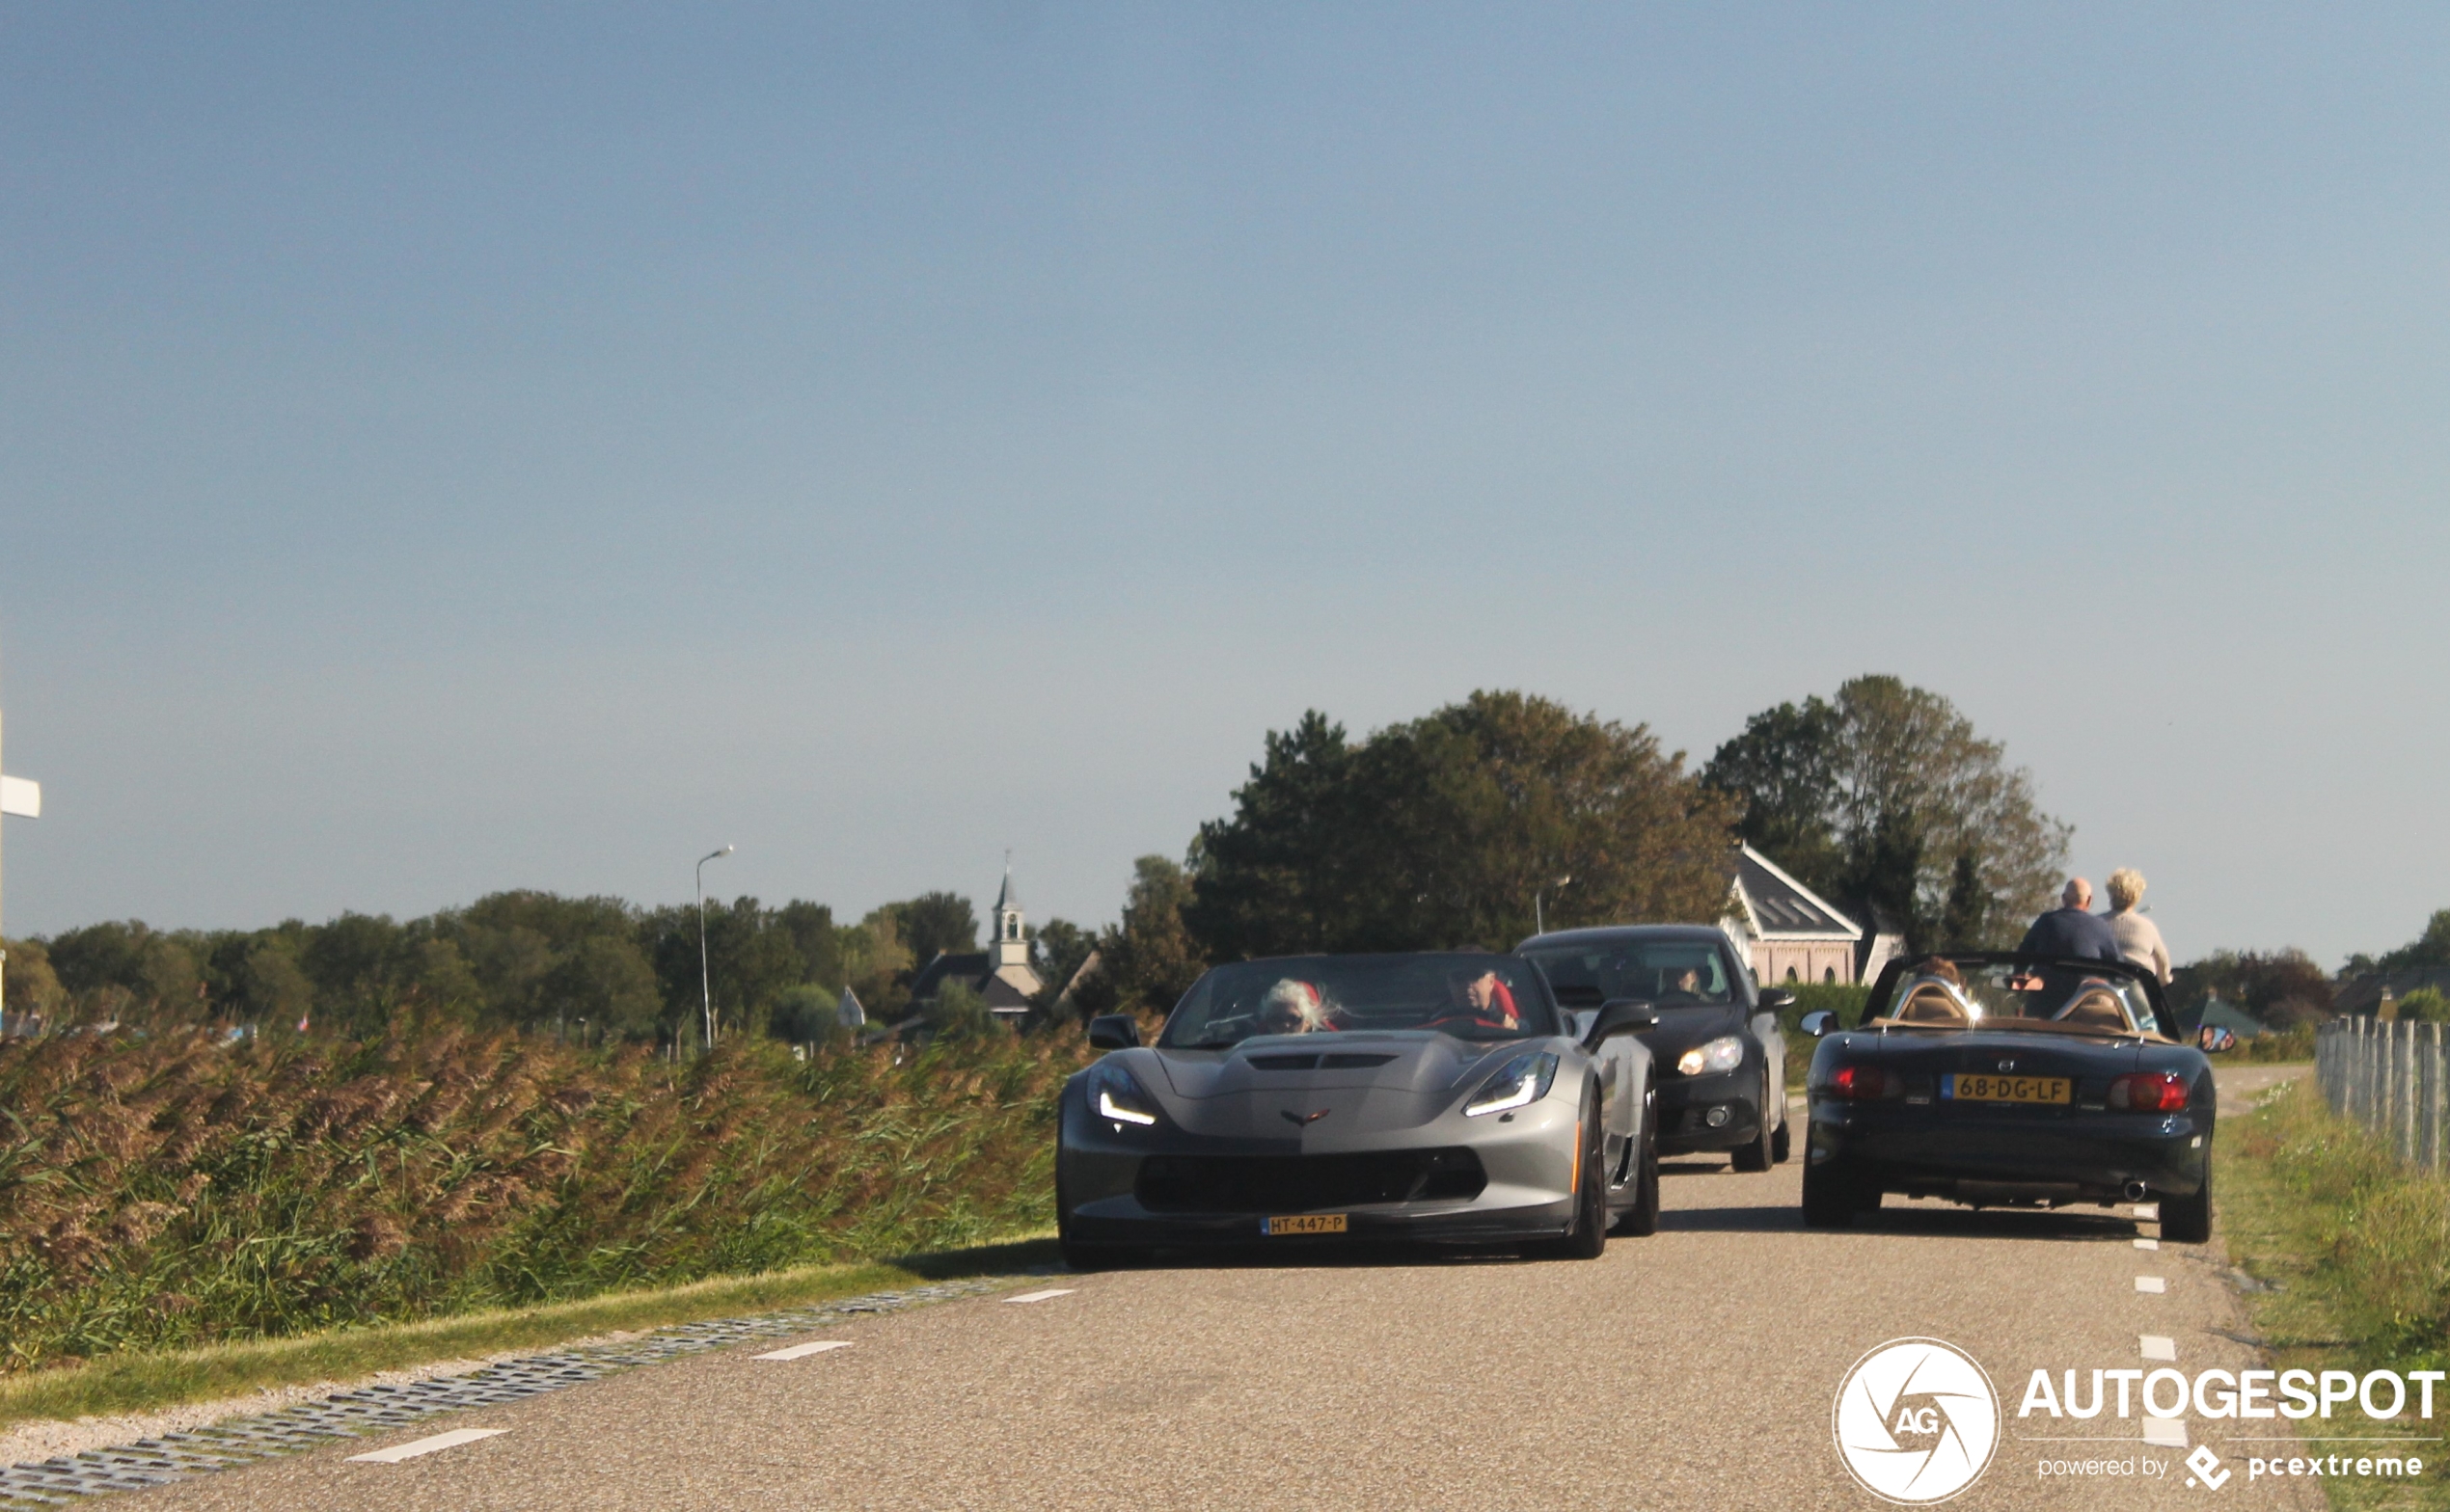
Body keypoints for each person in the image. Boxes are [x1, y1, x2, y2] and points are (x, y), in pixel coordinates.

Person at [2018, 878, 2121, 962]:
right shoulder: (2100, 926)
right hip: (2086, 987)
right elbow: (2116, 964)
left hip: (2048, 986)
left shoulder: (2045, 921)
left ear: (2063, 898)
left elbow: (2023, 954)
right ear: (2089, 900)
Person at [2104, 867, 2171, 985]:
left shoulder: (2096, 924)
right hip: (2136, 991)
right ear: (2137, 895)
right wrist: (2165, 980)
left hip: (2104, 990)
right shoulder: (2147, 927)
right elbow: (2162, 962)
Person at [1259, 979, 1337, 1035]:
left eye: (1293, 1019)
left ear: (1308, 1022)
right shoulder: (1252, 1051)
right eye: (1276, 1019)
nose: (1285, 1025)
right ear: (1268, 1022)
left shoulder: (1329, 1049)